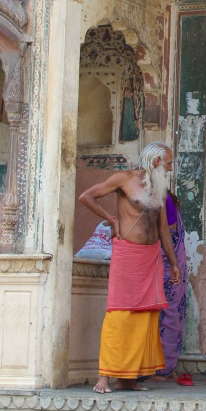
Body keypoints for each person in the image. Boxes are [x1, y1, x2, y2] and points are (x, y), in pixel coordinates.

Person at [78, 142, 181, 393]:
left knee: (145, 317)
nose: (169, 168)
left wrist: (174, 263)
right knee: (119, 315)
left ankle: (128, 377)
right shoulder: (123, 179)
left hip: (151, 257)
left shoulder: (159, 188)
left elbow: (163, 229)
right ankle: (104, 376)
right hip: (128, 255)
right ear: (156, 161)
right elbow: (86, 196)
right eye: (168, 163)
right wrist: (110, 219)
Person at [156, 187, 189, 382]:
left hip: (168, 263)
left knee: (166, 315)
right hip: (172, 263)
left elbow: (165, 232)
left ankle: (163, 369)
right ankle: (164, 367)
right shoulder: (164, 197)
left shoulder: (163, 199)